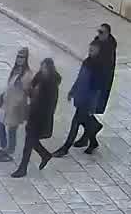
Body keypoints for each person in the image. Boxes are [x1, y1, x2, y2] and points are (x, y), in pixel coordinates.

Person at [56, 28, 117, 156]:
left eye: (92, 51)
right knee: (84, 120)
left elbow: (96, 88)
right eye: (89, 50)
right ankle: (94, 134)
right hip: (81, 96)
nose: (90, 52)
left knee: (76, 121)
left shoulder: (99, 67)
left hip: (88, 99)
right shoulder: (87, 62)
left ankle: (65, 148)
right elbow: (80, 78)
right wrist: (73, 90)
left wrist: (93, 105)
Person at [11, 57, 62, 178]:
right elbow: (31, 90)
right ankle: (44, 155)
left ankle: (23, 168)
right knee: (31, 141)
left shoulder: (51, 85)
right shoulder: (39, 77)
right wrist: (27, 90)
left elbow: (49, 105)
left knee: (29, 142)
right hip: (33, 114)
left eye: (44, 68)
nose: (42, 69)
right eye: (41, 67)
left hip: (40, 118)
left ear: (49, 69)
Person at [0, 48, 32, 162]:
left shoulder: (27, 75)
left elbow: (27, 92)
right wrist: (3, 95)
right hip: (7, 103)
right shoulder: (15, 70)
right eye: (18, 57)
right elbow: (10, 85)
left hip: (17, 107)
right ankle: (4, 147)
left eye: (22, 57)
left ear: (26, 59)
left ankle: (9, 152)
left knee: (12, 131)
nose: (20, 59)